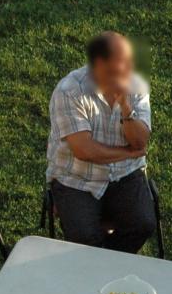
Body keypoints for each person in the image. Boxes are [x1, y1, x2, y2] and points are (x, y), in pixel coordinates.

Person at [46, 31, 155, 254]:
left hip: (124, 174)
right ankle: (98, 264)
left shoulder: (136, 85)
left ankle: (105, 264)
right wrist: (128, 153)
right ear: (99, 65)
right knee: (85, 237)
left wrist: (126, 108)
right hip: (77, 179)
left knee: (143, 224)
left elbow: (140, 141)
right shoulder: (69, 92)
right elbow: (84, 150)